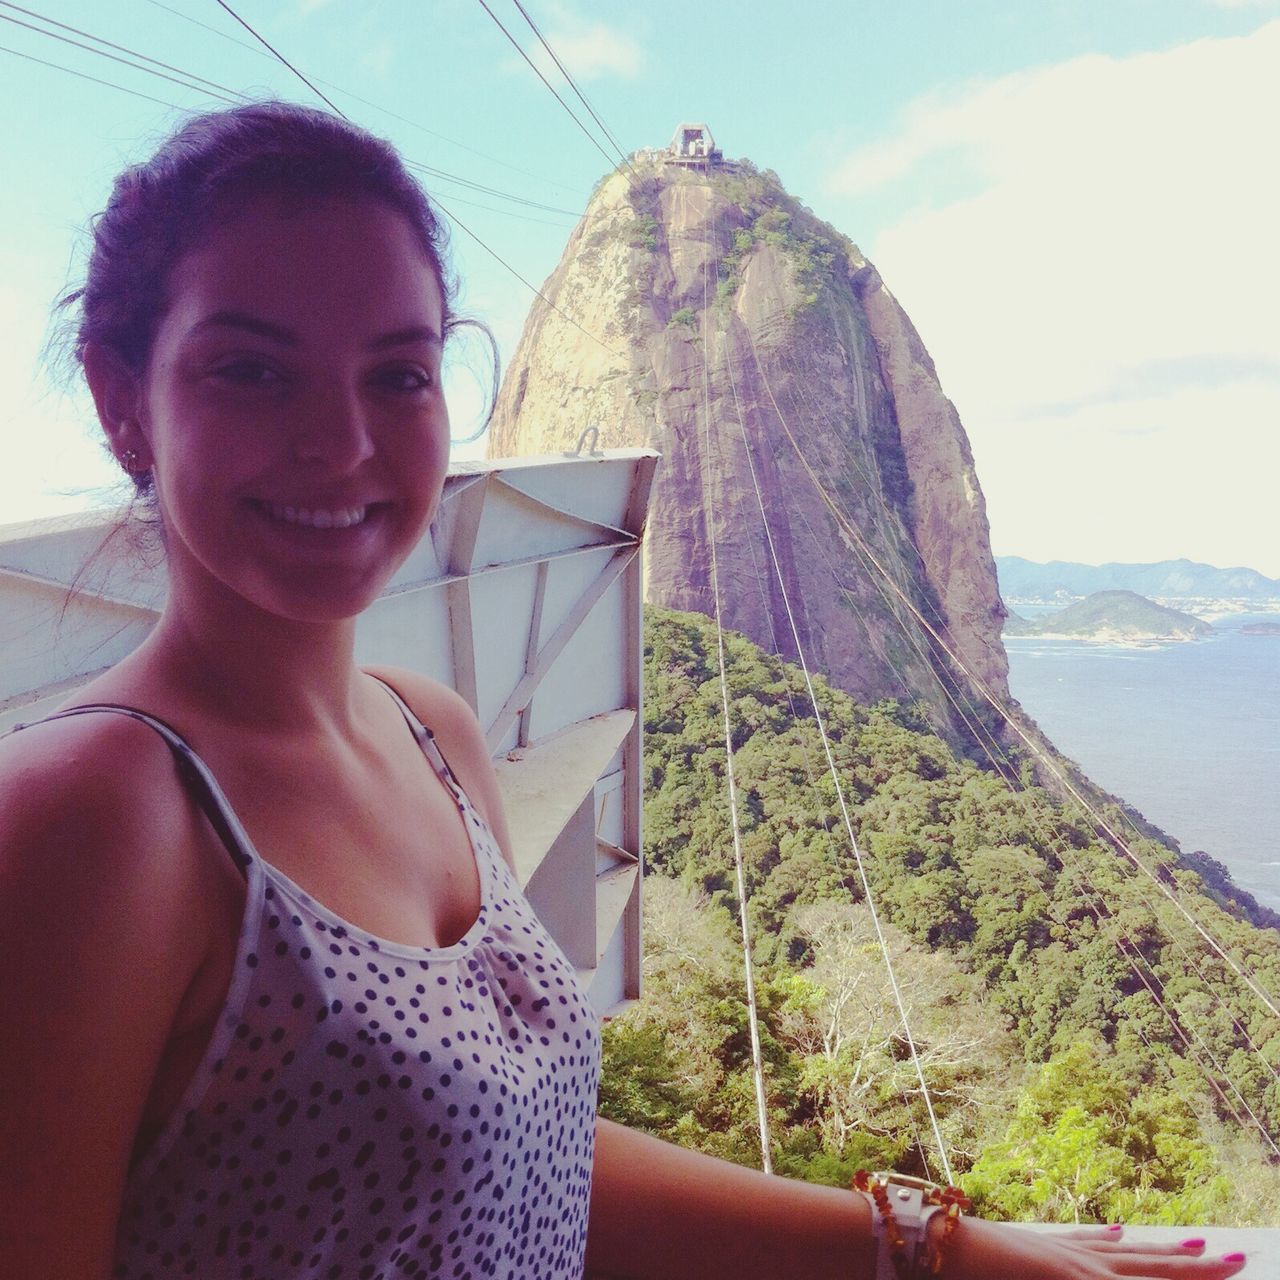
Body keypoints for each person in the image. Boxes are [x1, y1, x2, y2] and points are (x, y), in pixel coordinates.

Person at [0, 102, 1249, 1280]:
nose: (343, 442)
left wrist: (931, 1242)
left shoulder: (428, 731)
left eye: (398, 374)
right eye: (253, 371)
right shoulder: (88, 818)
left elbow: (518, 1153)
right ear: (125, 402)